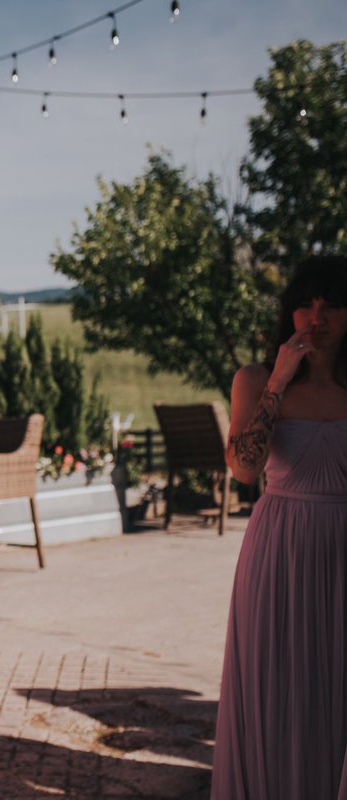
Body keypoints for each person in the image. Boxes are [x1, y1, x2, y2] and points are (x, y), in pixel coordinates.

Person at [212, 255, 347, 799]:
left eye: (333, 304)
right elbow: (245, 468)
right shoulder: (253, 378)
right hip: (280, 547)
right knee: (277, 685)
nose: (317, 316)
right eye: (305, 304)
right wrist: (279, 382)